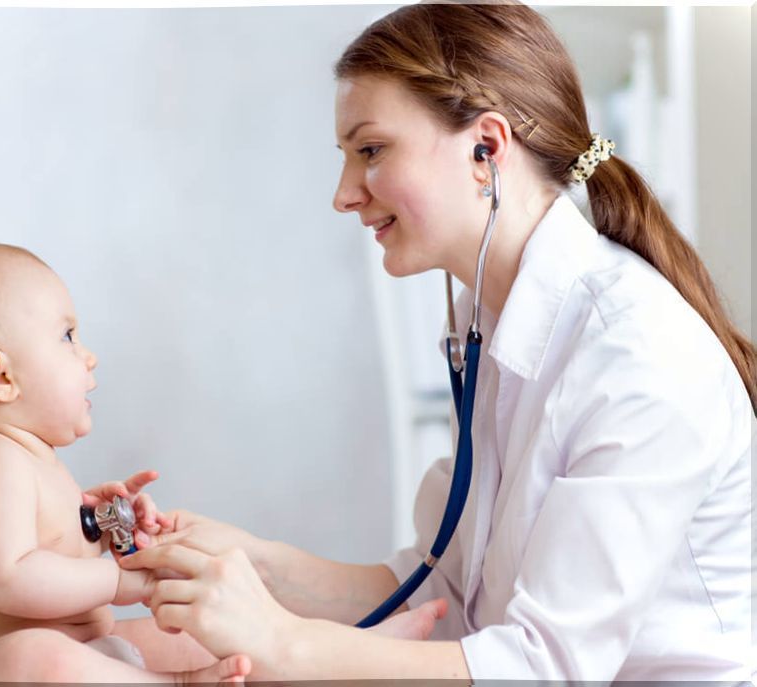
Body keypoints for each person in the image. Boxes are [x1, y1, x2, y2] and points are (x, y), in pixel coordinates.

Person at [118, 2, 755, 681]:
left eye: (370, 150)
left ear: (487, 146)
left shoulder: (637, 355)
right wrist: (252, 562)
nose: (343, 194)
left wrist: (282, 641)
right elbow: (445, 590)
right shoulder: (489, 319)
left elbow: (545, 667)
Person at [0, 238, 254, 683]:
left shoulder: (32, 454)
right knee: (40, 656)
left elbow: (53, 544)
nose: (88, 354)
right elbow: (10, 578)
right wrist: (117, 584)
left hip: (82, 651)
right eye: (67, 336)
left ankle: (245, 667)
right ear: (0, 374)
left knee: (195, 634)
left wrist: (100, 525)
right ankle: (176, 683)